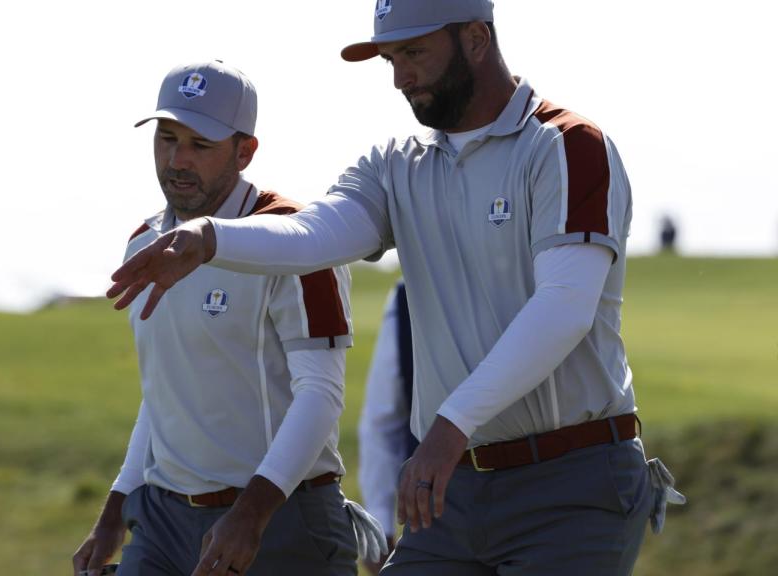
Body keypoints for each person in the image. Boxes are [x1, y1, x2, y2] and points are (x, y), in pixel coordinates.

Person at [108, 2, 685, 574]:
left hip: (571, 483)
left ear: (477, 38)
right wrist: (210, 237)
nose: (400, 76)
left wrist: (449, 425)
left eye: (414, 53)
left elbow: (564, 309)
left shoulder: (567, 145)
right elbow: (315, 235)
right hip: (453, 493)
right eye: (390, 57)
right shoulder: (393, 165)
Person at [73, 60, 385, 576]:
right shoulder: (145, 243)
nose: (176, 160)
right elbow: (164, 394)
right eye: (167, 138)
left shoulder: (297, 240)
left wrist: (251, 514)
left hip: (281, 519)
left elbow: (321, 395)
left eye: (200, 145)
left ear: (245, 151)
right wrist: (116, 506)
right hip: (163, 519)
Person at [357, 280, 415, 575]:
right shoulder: (406, 297)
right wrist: (379, 522)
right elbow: (383, 420)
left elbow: (382, 420)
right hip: (434, 512)